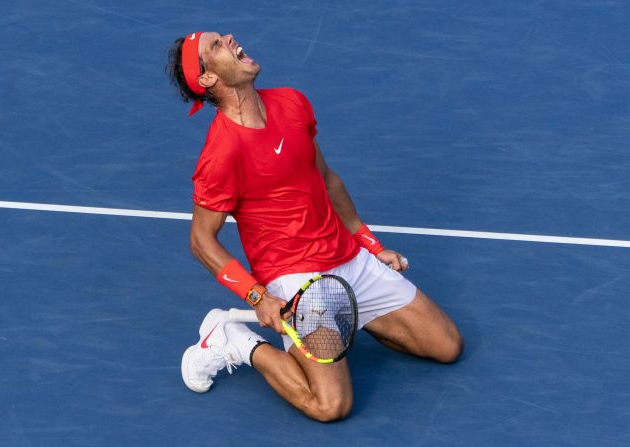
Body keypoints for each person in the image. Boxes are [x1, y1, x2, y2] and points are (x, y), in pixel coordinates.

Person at [166, 31, 463, 422]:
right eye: (216, 46)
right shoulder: (221, 153)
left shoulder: (292, 102)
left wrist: (371, 245)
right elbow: (201, 240)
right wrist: (258, 297)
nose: (230, 38)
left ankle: (343, 319)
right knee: (331, 406)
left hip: (348, 258)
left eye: (221, 36)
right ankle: (234, 340)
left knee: (446, 345)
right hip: (294, 281)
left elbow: (325, 177)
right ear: (207, 79)